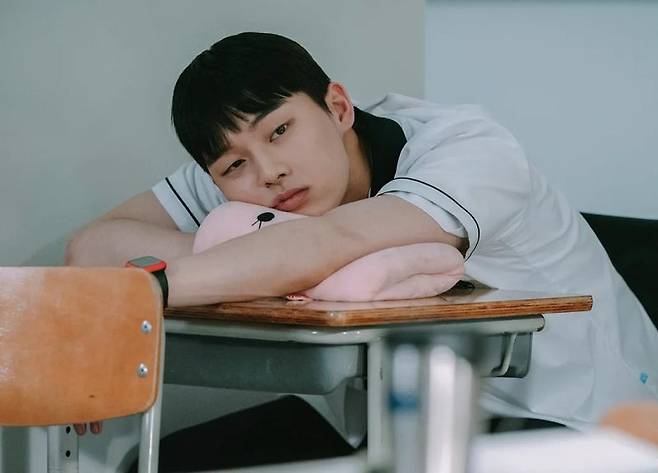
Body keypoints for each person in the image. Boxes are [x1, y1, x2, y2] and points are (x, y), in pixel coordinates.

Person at [67, 31, 658, 451]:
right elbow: (94, 246)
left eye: (281, 130)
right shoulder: (242, 165)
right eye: (234, 165)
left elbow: (332, 242)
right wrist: (243, 247)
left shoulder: (466, 150)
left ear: (338, 107)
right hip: (391, 426)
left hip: (575, 420)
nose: (269, 171)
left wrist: (135, 300)